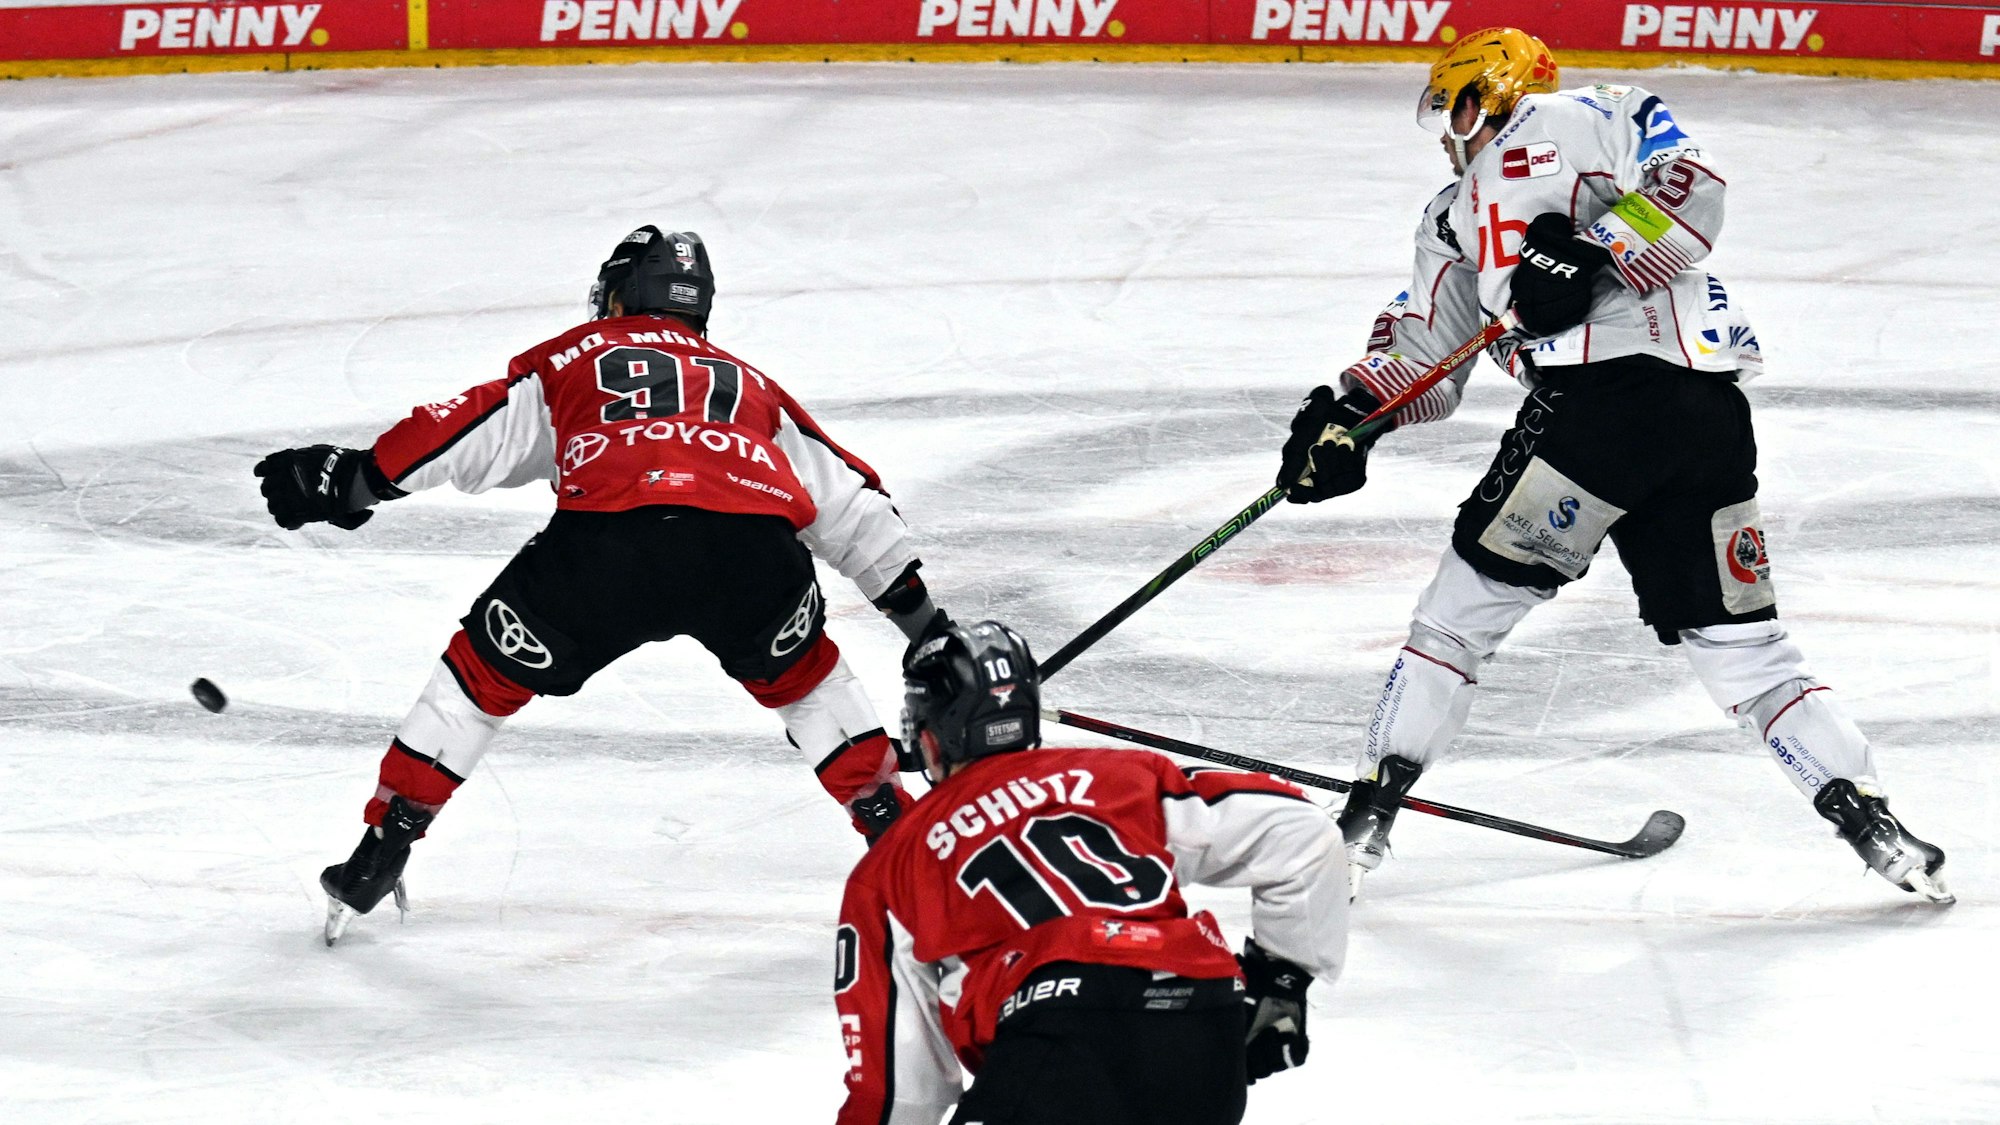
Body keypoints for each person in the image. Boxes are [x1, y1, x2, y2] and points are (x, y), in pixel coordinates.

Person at [1276, 28, 1951, 904]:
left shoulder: (1596, 113)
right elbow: (1427, 357)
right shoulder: (1449, 218)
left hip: (1596, 416)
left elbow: (1691, 184)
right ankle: (1872, 824)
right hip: (1705, 424)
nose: (1450, 133)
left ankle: (1366, 819)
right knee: (1746, 650)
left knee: (1454, 622)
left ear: (1491, 92)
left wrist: (1595, 249)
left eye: (1456, 109)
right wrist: (1348, 417)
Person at [254, 225, 952, 945]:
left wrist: (358, 481)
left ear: (620, 293)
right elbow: (852, 506)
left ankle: (384, 844)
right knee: (807, 680)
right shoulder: (752, 386)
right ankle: (894, 836)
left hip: (607, 549)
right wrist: (926, 627)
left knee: (478, 679)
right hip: (748, 553)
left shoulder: (574, 356)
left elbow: (468, 431)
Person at [833, 620, 1348, 1125]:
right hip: (1201, 1029)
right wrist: (1281, 981)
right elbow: (1303, 832)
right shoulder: (1126, 776)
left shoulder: (893, 862)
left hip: (1056, 1036)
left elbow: (898, 1096)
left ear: (930, 738)